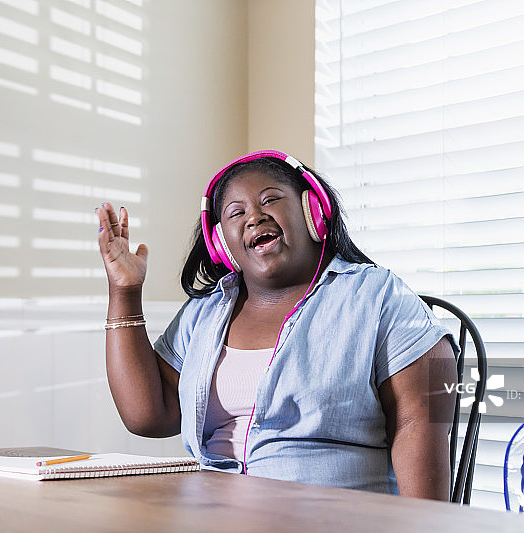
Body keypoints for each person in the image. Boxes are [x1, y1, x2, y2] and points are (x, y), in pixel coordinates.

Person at [95, 150, 458, 499]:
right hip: (212, 513)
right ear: (222, 243)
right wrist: (124, 291)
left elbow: (418, 424)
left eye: (269, 200)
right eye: (236, 213)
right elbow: (148, 417)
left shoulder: (379, 296)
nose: (254, 217)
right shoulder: (204, 313)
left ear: (313, 211)